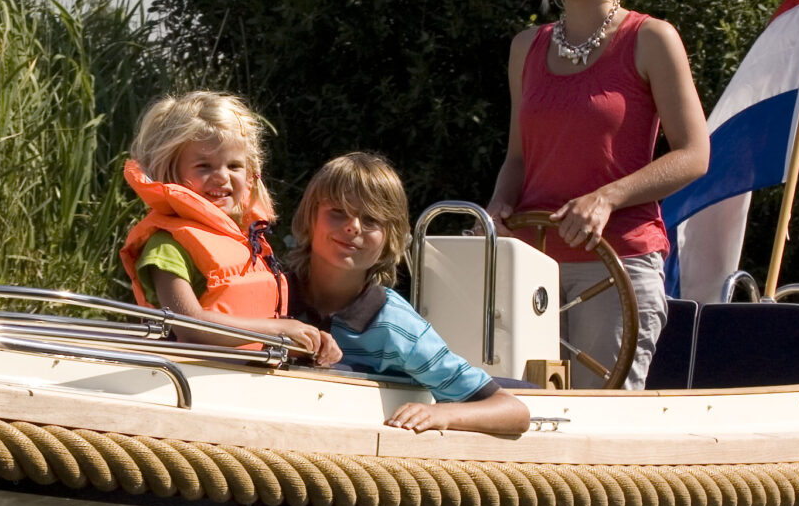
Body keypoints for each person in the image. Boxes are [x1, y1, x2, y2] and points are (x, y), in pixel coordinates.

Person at [485, 0, 709, 388]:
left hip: (618, 267)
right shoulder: (526, 48)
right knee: (516, 429)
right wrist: (499, 205)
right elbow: (519, 159)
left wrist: (607, 198)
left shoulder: (651, 40)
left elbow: (695, 155)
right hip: (529, 268)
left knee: (595, 439)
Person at [286, 152, 529, 435]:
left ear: (390, 236)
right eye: (338, 212)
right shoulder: (271, 292)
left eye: (371, 219)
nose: (353, 226)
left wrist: (440, 412)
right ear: (309, 217)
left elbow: (513, 410)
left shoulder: (396, 325)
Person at [120, 91, 336, 362]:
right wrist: (279, 330)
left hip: (244, 382)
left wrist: (307, 338)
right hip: (195, 382)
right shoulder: (166, 246)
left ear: (250, 174)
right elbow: (190, 326)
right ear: (171, 170)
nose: (221, 176)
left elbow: (252, 328)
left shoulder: (247, 241)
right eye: (204, 165)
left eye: (234, 165)